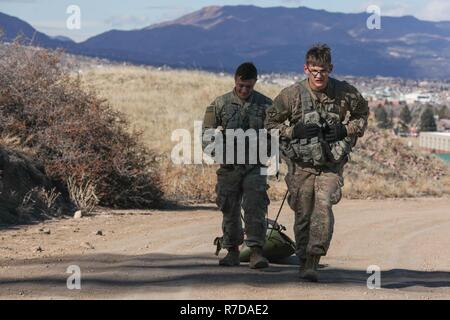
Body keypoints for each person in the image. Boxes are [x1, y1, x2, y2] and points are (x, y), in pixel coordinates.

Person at [265, 44, 369, 281]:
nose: (318, 75)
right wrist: (294, 131)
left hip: (330, 166)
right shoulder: (291, 95)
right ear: (306, 69)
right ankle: (303, 259)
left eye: (323, 70)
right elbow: (269, 124)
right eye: (314, 70)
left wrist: (345, 130)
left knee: (322, 205)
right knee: (303, 212)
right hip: (299, 165)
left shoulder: (345, 93)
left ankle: (313, 259)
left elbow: (362, 114)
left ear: (330, 69)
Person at [202, 62, 273, 269]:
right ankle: (232, 251)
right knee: (229, 207)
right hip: (230, 167)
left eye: (248, 86)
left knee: (255, 206)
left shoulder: (266, 105)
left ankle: (256, 252)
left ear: (255, 83)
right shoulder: (220, 103)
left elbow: (275, 133)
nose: (244, 90)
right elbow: (206, 131)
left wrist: (266, 151)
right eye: (241, 85)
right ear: (235, 80)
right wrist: (216, 153)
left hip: (254, 166)